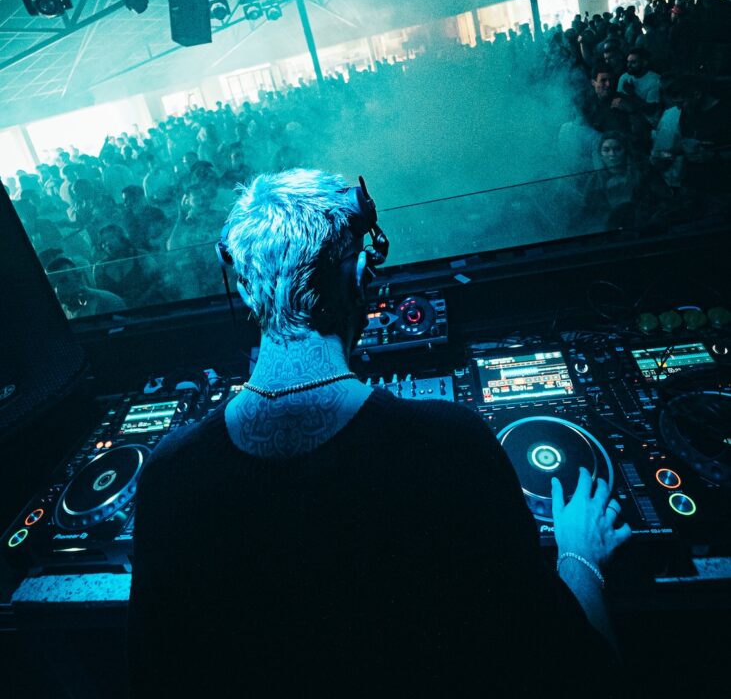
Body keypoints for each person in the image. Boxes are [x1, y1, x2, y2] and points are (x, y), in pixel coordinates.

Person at [128, 169, 631, 697]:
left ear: (243, 288)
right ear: (359, 275)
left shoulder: (169, 474)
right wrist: (580, 556)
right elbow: (580, 675)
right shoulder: (448, 447)